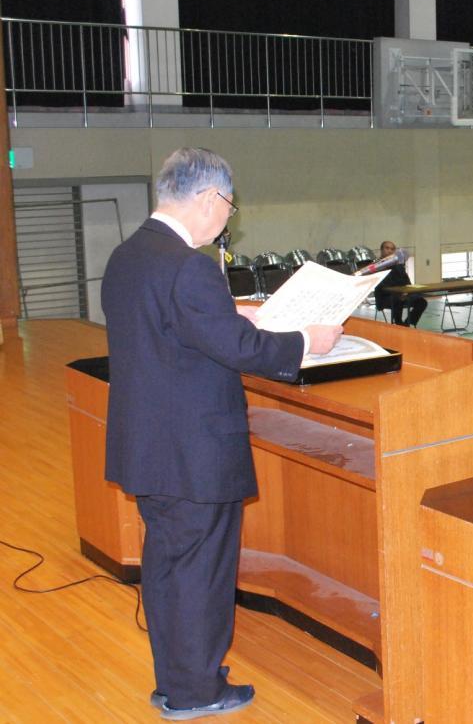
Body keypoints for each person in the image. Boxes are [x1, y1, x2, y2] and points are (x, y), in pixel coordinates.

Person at [102, 148, 343, 718]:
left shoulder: (129, 254)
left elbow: (173, 329)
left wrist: (234, 312)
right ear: (209, 198)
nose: (227, 220)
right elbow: (239, 350)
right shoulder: (189, 266)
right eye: (228, 206)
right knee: (201, 576)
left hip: (151, 448)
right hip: (192, 454)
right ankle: (195, 693)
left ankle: (181, 677)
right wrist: (309, 341)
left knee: (167, 568)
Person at [373, 241, 427, 327]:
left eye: (392, 249)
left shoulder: (398, 265)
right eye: (387, 248)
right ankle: (398, 323)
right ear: (381, 250)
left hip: (401, 295)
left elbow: (407, 282)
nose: (390, 251)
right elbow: (382, 286)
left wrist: (408, 291)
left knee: (421, 301)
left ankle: (407, 324)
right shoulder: (377, 266)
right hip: (385, 297)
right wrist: (400, 292)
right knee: (398, 299)